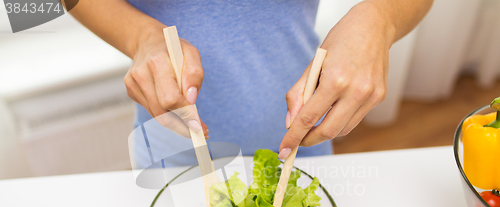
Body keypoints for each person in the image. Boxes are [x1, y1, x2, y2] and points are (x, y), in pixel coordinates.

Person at [69, 0, 433, 169]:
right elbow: (32, 6)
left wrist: (379, 18)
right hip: (173, 153)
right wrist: (140, 37)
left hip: (299, 144)